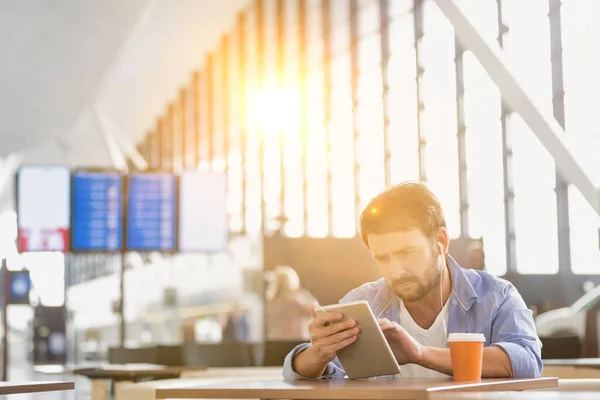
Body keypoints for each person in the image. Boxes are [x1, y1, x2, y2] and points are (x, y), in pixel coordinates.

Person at [283, 182, 542, 380]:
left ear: (440, 241)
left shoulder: (496, 296)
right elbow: (308, 373)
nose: (396, 271)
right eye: (382, 258)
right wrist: (318, 354)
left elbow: (527, 362)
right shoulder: (362, 303)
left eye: (408, 253)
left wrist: (420, 353)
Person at [265, 265, 317, 341]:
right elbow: (316, 309)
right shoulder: (295, 301)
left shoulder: (271, 302)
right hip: (294, 343)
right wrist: (304, 293)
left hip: (274, 341)